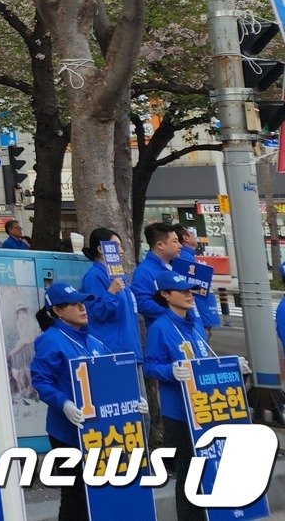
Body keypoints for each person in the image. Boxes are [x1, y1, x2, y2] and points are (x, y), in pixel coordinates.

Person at [143, 270, 250, 521]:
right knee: (189, 473)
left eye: (190, 290)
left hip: (205, 409)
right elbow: (149, 366)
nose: (189, 295)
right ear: (165, 295)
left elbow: (205, 361)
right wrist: (170, 370)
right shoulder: (160, 328)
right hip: (179, 413)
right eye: (182, 291)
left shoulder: (195, 324)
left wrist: (233, 367)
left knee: (210, 468)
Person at [29, 283, 116, 521]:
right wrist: (65, 404)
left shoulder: (94, 341)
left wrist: (131, 398)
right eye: (74, 304)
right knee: (75, 496)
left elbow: (114, 373)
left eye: (82, 303)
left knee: (99, 492)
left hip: (97, 431)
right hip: (67, 432)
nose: (82, 308)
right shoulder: (51, 340)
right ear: (57, 311)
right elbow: (41, 382)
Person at [79, 227, 140, 357]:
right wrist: (111, 293)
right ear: (101, 249)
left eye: (121, 246)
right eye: (116, 246)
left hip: (129, 348)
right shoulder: (94, 276)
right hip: (112, 350)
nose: (121, 251)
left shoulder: (118, 276)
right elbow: (96, 313)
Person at [131, 222, 182, 332]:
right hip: (165, 331)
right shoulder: (144, 271)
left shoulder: (178, 266)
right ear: (160, 245)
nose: (180, 245)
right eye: (175, 241)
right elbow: (142, 302)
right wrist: (173, 312)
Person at [174, 225, 221, 341]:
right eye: (192, 234)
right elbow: (195, 291)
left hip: (201, 317)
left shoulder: (188, 257)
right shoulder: (185, 258)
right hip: (198, 317)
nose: (195, 237)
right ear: (185, 238)